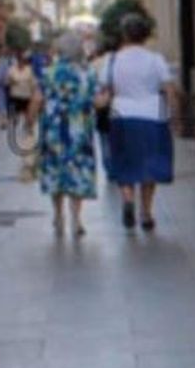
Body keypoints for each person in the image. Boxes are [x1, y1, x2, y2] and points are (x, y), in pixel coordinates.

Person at [99, 12, 179, 231]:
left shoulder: (112, 60)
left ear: (124, 34)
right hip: (153, 116)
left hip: (122, 116)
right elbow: (169, 89)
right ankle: (146, 212)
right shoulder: (156, 59)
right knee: (150, 164)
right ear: (144, 35)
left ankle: (127, 198)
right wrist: (174, 115)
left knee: (124, 161)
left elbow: (107, 90)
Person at [33, 30, 100, 237]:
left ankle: (58, 214)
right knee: (77, 171)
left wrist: (28, 122)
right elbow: (96, 101)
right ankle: (76, 218)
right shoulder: (88, 73)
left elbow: (37, 99)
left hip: (53, 130)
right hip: (79, 131)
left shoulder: (48, 72)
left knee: (56, 171)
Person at [5, 50, 37, 136]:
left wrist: (34, 94)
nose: (21, 63)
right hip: (15, 95)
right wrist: (11, 81)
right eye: (19, 61)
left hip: (26, 95)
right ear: (17, 62)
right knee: (16, 113)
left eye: (22, 61)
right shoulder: (11, 70)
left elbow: (33, 83)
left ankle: (29, 128)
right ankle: (17, 121)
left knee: (27, 114)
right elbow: (7, 82)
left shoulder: (29, 70)